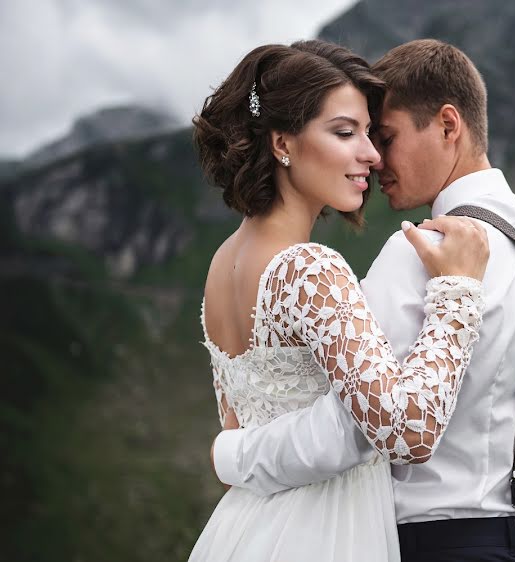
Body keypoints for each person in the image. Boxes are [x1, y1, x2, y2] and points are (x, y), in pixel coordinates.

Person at [212, 39, 515, 561]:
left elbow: (355, 428)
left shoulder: (414, 251)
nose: (376, 158)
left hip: (430, 544)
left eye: (383, 136)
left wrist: (230, 454)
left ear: (448, 125)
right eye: (358, 134)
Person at [188, 40, 490, 561]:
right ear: (283, 143)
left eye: (371, 134)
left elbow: (239, 433)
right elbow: (408, 431)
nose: (372, 155)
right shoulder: (309, 269)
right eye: (345, 132)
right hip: (325, 536)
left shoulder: (222, 264)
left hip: (245, 530)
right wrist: (456, 295)